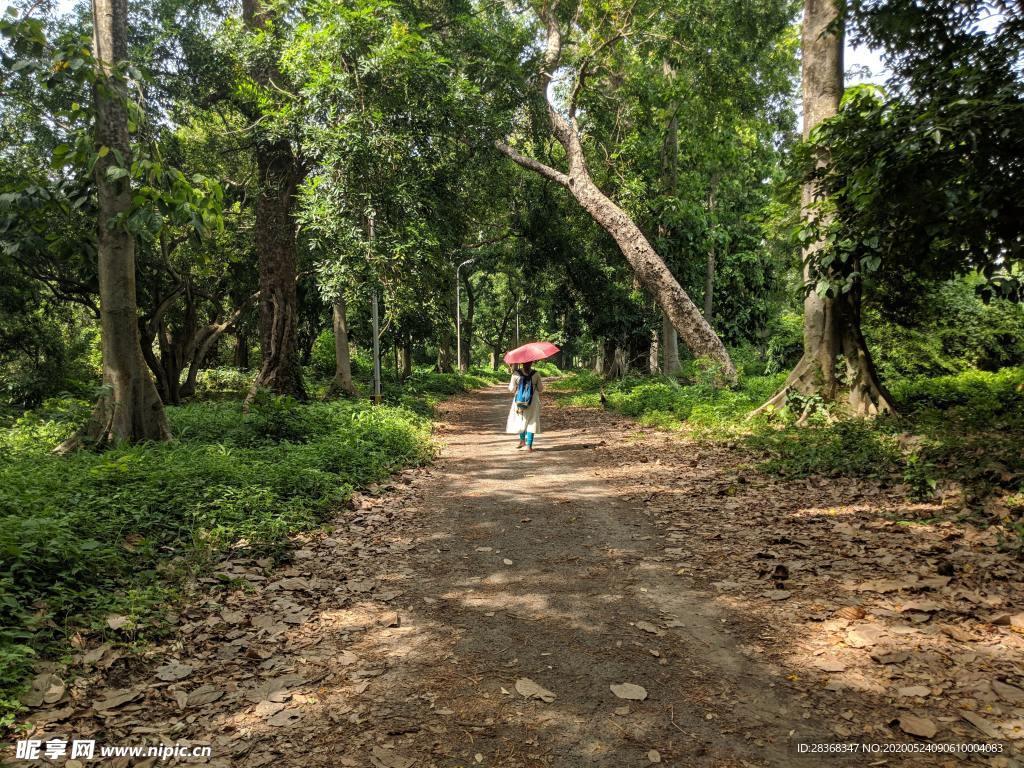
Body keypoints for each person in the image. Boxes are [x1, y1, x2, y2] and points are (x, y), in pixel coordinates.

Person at [506, 361, 543, 451]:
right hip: (533, 400)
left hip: (519, 401)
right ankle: (529, 445)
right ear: (531, 363)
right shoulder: (536, 374)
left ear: (522, 363)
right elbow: (540, 389)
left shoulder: (516, 373)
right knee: (532, 421)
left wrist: (517, 387)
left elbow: (511, 389)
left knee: (521, 420)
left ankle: (522, 440)